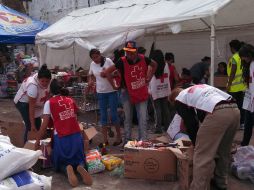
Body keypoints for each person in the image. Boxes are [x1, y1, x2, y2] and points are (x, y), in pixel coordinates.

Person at [169, 84, 239, 190]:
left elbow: (191, 124)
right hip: (234, 110)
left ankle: (198, 187)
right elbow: (201, 117)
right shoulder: (197, 89)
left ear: (174, 100)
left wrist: (196, 144)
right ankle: (221, 183)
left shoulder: (180, 99)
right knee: (224, 150)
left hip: (218, 112)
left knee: (202, 155)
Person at [35, 79, 92, 187]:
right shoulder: (70, 100)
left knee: (57, 164)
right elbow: (78, 113)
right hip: (76, 137)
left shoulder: (49, 102)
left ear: (51, 91)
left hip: (62, 138)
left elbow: (44, 125)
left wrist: (37, 141)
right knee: (80, 159)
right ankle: (80, 167)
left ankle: (67, 169)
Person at [105, 40, 157, 144]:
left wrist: (149, 77)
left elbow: (155, 64)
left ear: (136, 51)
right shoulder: (121, 61)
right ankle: (127, 141)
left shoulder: (144, 59)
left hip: (141, 91)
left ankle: (143, 140)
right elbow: (107, 72)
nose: (130, 54)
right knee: (127, 118)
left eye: (132, 52)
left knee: (142, 117)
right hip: (126, 92)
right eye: (127, 52)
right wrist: (114, 86)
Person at [88, 48, 122, 146]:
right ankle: (105, 140)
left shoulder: (108, 61)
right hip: (100, 92)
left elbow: (117, 73)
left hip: (111, 91)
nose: (95, 59)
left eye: (96, 57)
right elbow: (90, 74)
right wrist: (90, 80)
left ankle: (119, 137)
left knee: (114, 115)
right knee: (103, 116)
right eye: (93, 58)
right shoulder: (92, 64)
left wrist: (108, 74)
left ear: (100, 55)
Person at [14, 64, 51, 143]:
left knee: (38, 124)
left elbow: (48, 98)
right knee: (31, 126)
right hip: (23, 102)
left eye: (47, 81)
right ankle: (27, 146)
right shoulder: (33, 86)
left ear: (50, 79)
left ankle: (37, 143)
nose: (45, 83)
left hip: (36, 103)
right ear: (38, 79)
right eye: (42, 81)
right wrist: (32, 124)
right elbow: (32, 107)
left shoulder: (48, 80)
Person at [149, 49, 171, 133]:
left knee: (157, 109)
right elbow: (168, 75)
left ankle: (158, 128)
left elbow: (149, 77)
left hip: (155, 90)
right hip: (164, 88)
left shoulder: (152, 66)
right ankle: (168, 126)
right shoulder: (166, 65)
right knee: (165, 108)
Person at [227, 40, 247, 128]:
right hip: (242, 86)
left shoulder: (234, 57)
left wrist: (229, 84)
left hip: (234, 87)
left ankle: (234, 124)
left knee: (232, 107)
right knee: (241, 106)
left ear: (232, 48)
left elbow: (233, 72)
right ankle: (242, 123)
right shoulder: (243, 56)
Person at [239, 44, 254, 146]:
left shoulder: (252, 64)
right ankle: (244, 145)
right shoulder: (249, 64)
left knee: (249, 123)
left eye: (244, 56)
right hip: (249, 98)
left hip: (252, 99)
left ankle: (245, 145)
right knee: (248, 123)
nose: (243, 59)